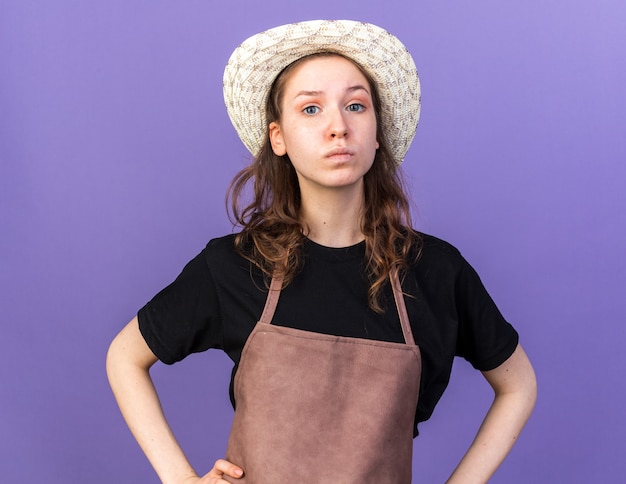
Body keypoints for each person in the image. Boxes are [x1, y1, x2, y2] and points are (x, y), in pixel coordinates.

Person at [106, 20, 537, 483]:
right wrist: (180, 479)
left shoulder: (435, 272)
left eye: (356, 105)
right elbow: (124, 356)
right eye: (310, 109)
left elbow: (518, 385)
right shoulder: (234, 266)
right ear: (279, 138)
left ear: (376, 134)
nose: (338, 126)